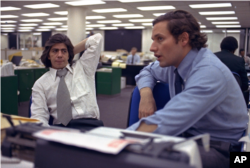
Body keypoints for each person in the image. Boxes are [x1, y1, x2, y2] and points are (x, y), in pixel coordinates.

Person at [127, 10, 248, 168]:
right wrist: (145, 93)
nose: (152, 47)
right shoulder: (173, 64)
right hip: (188, 138)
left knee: (143, 160)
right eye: (153, 40)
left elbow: (168, 120)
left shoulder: (209, 71)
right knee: (136, 156)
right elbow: (147, 71)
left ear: (183, 39)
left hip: (220, 149)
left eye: (160, 39)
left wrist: (117, 139)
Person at [31, 33, 103, 130]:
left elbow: (97, 39)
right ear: (48, 55)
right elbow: (39, 116)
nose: (59, 55)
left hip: (90, 126)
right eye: (55, 51)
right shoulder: (40, 84)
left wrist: (71, 52)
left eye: (63, 51)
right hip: (61, 129)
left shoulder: (84, 67)